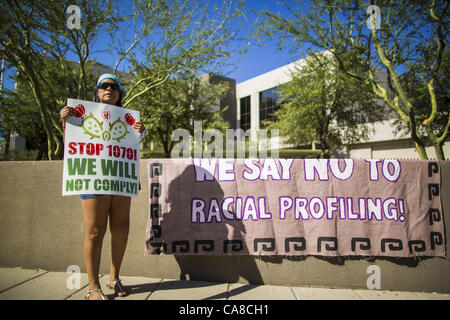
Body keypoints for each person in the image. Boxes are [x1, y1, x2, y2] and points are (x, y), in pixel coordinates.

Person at [60, 74, 146, 300]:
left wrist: (140, 132)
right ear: (97, 92)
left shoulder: (129, 121)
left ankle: (114, 277)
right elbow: (71, 145)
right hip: (93, 178)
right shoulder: (80, 115)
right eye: (104, 86)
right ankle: (93, 287)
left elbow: (131, 152)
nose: (109, 88)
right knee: (95, 232)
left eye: (114, 86)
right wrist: (66, 121)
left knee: (121, 231)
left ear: (119, 94)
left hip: (120, 180)